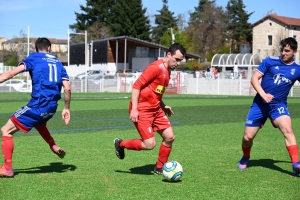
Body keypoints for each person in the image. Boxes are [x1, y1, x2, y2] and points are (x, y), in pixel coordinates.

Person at [0, 38, 71, 177]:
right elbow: (67, 89)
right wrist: (66, 108)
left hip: (37, 105)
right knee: (39, 123)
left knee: (6, 130)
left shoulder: (34, 58)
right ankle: (53, 145)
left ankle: (7, 168)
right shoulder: (58, 62)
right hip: (52, 107)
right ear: (49, 48)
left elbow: (10, 73)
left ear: (36, 48)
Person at [114, 43, 186, 174]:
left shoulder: (168, 70)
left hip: (156, 109)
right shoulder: (156, 68)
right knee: (149, 144)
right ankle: (121, 144)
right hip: (142, 110)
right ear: (169, 55)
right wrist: (134, 109)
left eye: (180, 60)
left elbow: (156, 92)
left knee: (170, 137)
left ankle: (159, 167)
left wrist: (163, 106)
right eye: (177, 59)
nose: (178, 63)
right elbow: (136, 86)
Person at [238, 37, 300, 176]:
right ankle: (246, 156)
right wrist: (263, 94)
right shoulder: (270, 61)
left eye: (287, 51)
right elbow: (254, 78)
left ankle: (296, 164)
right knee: (248, 137)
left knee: (288, 129)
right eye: (282, 50)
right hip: (260, 104)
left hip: (279, 106)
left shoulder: (297, 69)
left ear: (294, 51)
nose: (283, 53)